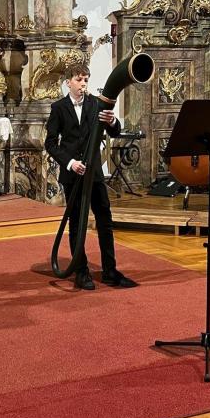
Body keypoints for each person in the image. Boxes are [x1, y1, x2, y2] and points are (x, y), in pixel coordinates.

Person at [44, 63, 138, 290]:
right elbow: (50, 143)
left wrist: (113, 121)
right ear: (68, 82)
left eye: (86, 79)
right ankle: (81, 271)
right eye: (78, 80)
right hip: (73, 174)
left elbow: (114, 131)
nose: (83, 84)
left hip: (94, 174)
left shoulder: (95, 104)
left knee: (104, 220)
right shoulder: (59, 108)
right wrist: (70, 163)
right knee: (77, 223)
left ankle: (110, 271)